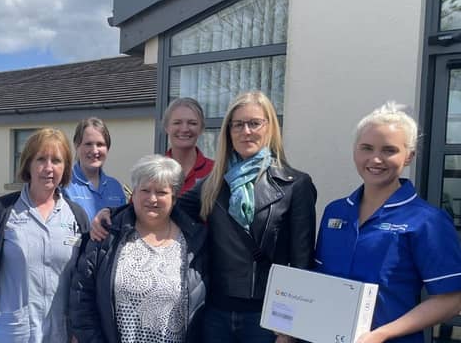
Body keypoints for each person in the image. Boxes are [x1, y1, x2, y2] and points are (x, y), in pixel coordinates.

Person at [91, 91, 317, 343]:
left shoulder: (295, 185)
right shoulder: (213, 182)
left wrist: (290, 328)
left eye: (254, 123)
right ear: (228, 132)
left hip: (265, 318)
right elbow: (164, 207)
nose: (246, 131)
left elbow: (302, 263)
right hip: (216, 314)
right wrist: (113, 214)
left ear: (270, 127)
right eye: (238, 124)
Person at [315, 102, 461, 343]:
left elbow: (450, 300)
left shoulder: (427, 221)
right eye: (367, 148)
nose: (375, 159)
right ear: (355, 150)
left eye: (389, 150)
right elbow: (319, 281)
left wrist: (381, 335)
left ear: (409, 156)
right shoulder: (335, 211)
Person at [70, 154, 207, 343]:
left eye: (161, 192)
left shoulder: (196, 242)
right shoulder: (107, 235)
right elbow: (81, 299)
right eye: (145, 190)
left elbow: (206, 310)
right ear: (133, 194)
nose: (152, 198)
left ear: (174, 198)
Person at [0, 128, 89, 343]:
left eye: (57, 161)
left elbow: (85, 280)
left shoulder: (77, 215)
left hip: (61, 333)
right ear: (28, 164)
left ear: (65, 168)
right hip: (10, 333)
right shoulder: (1, 210)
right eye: (41, 159)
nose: (48, 168)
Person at [65, 117, 126, 220]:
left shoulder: (115, 186)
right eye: (88, 144)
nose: (94, 151)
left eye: (100, 144)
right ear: (76, 145)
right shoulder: (65, 185)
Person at [163, 98, 214, 195]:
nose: (185, 129)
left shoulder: (216, 172)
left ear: (201, 128)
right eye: (177, 123)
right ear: (166, 127)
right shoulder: (151, 172)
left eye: (192, 123)